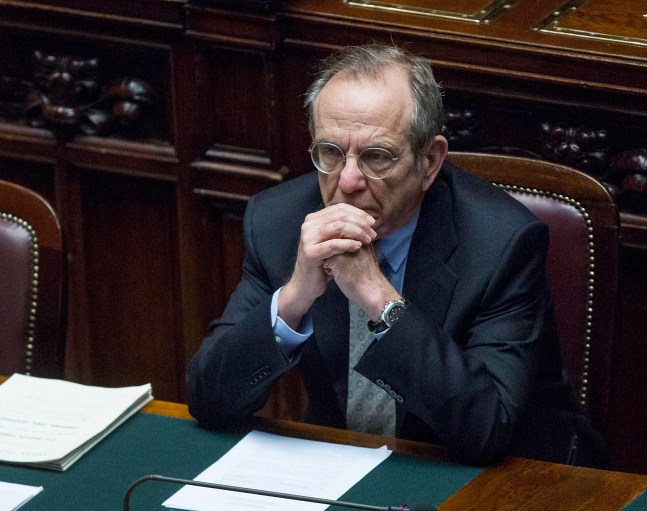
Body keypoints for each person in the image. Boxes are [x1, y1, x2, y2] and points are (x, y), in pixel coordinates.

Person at [186, 44, 605, 466]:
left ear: (429, 161)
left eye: (376, 157)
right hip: (343, 469)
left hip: (503, 476)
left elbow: (487, 428)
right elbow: (209, 399)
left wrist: (377, 297)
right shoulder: (278, 222)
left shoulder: (502, 243)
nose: (347, 181)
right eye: (330, 152)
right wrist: (294, 298)